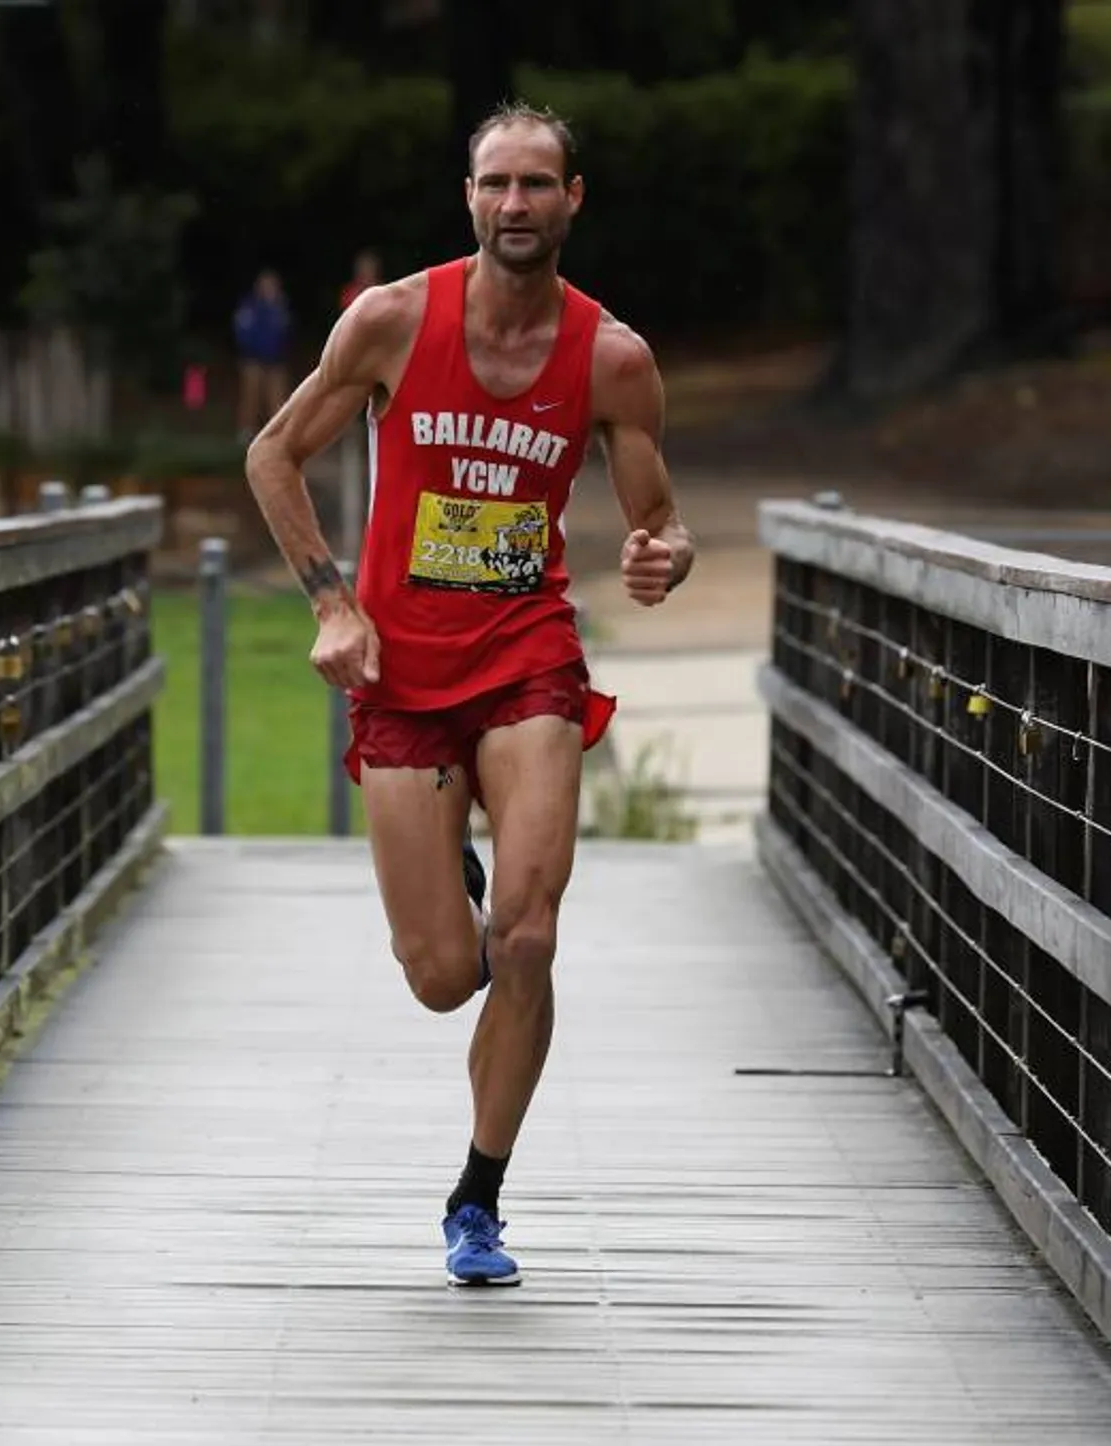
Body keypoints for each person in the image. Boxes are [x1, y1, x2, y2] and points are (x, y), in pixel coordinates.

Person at [243, 100, 694, 1287]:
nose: (515, 205)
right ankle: (456, 884)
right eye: (496, 184)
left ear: (571, 200)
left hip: (525, 657)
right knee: (444, 974)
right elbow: (271, 454)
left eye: (537, 184)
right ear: (468, 197)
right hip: (401, 672)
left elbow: (655, 519)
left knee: (529, 937)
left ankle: (477, 1198)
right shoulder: (390, 323)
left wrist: (661, 552)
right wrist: (332, 605)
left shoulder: (611, 358)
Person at [234, 268, 293, 441]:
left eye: (272, 284)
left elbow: (288, 332)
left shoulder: (282, 306)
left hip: (276, 361)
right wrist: (250, 350)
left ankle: (277, 436)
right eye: (266, 284)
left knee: (277, 400)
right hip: (253, 360)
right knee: (250, 398)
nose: (269, 287)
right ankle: (246, 432)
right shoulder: (249, 305)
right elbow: (242, 331)